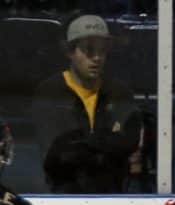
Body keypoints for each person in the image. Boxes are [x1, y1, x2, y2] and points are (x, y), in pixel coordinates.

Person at [30, 13, 142, 193]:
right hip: (62, 194)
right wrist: (105, 144)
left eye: (102, 50)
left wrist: (83, 145)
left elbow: (127, 145)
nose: (97, 58)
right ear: (69, 52)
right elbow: (56, 154)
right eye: (88, 50)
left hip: (113, 194)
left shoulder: (120, 93)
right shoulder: (50, 92)